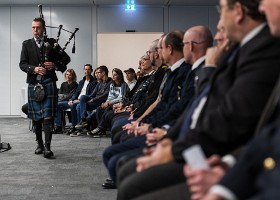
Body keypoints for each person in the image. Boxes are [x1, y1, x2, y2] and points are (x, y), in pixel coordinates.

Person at [116, 0, 280, 198]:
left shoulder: (257, 50)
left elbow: (223, 113)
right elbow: (194, 108)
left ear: (238, 12)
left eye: (221, 18)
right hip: (208, 148)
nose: (218, 38)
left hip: (212, 151)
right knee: (126, 166)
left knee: (130, 181)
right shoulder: (236, 53)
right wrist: (169, 139)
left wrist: (170, 145)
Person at [200, 0, 280, 199]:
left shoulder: (261, 50)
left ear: (238, 12)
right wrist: (229, 169)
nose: (261, 8)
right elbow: (270, 135)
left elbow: (228, 113)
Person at [19, 17, 70, 158]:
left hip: (49, 82)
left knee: (48, 116)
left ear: (44, 29)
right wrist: (34, 69)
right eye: (33, 27)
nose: (35, 30)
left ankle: (48, 148)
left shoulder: (52, 43)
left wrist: (55, 65)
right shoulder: (26, 44)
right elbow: (22, 64)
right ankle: (39, 144)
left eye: (38, 27)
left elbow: (66, 59)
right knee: (36, 117)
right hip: (34, 83)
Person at [54, 68, 78, 133]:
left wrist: (64, 96)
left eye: (70, 75)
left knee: (57, 104)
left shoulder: (75, 84)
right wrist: (65, 96)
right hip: (62, 101)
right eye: (67, 74)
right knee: (55, 105)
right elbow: (59, 94)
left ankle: (59, 126)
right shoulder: (63, 84)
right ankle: (58, 125)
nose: (68, 76)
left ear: (73, 76)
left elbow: (71, 95)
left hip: (70, 101)